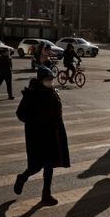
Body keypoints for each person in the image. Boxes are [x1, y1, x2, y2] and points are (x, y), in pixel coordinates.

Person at [13, 66, 70, 206]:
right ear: (40, 80)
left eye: (51, 78)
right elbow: (20, 113)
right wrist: (36, 121)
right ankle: (22, 177)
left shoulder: (53, 92)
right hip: (37, 136)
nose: (50, 81)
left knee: (49, 165)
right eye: (47, 79)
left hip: (52, 135)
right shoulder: (32, 94)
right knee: (36, 166)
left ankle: (46, 194)